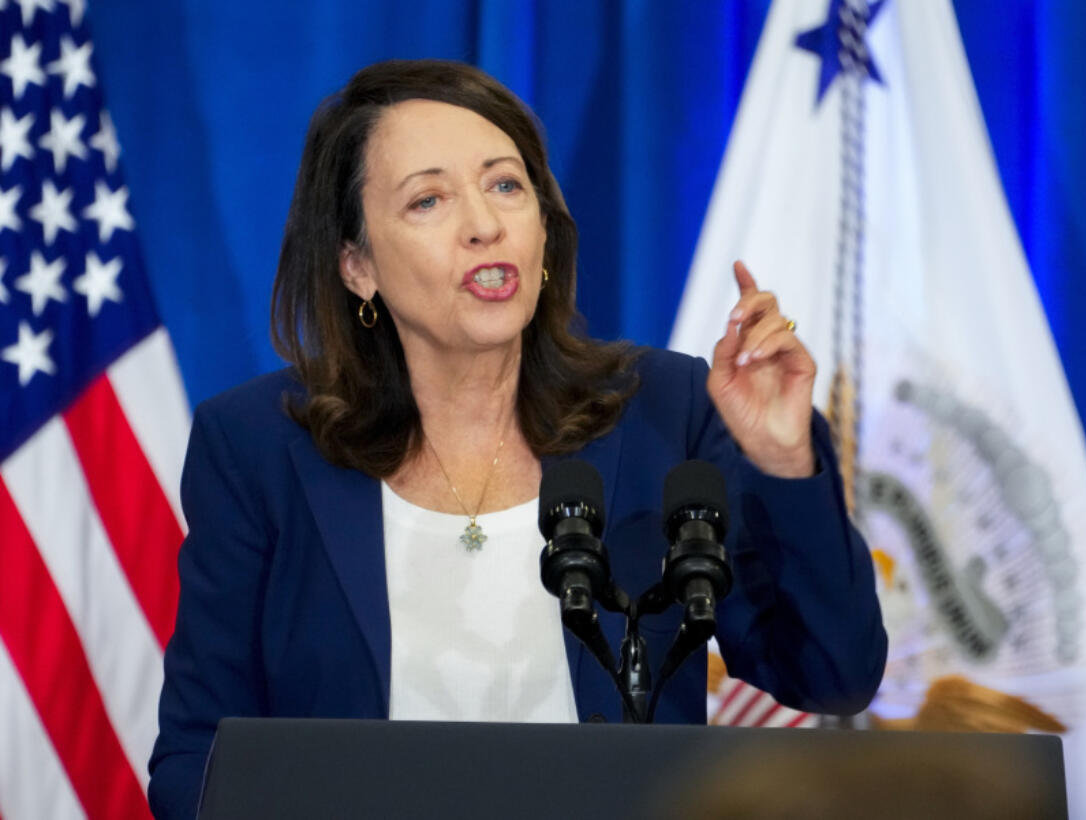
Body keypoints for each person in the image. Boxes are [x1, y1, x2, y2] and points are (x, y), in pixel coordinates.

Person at [147, 59, 886, 819]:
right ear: (358, 265)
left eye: (505, 185)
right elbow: (197, 764)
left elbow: (832, 674)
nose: (485, 224)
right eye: (429, 200)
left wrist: (783, 460)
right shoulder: (257, 449)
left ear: (544, 228)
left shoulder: (666, 410)